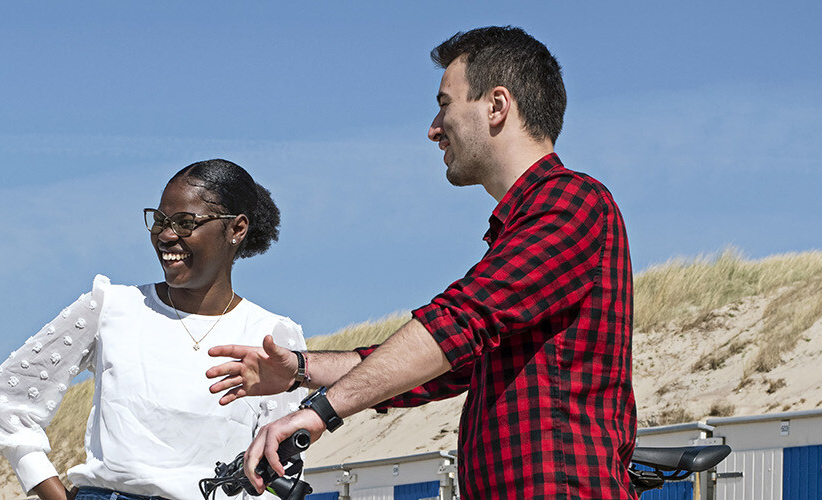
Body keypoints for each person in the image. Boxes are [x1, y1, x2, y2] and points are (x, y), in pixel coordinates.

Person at [206, 26, 637, 498]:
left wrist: (320, 412)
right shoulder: (522, 226)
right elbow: (440, 364)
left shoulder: (571, 201)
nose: (434, 128)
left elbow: (460, 321)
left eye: (445, 104)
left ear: (497, 106)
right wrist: (300, 368)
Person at [0, 159, 309, 500]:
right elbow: (5, 400)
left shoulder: (271, 337)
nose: (166, 235)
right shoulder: (111, 307)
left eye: (184, 222)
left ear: (236, 229)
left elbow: (277, 467)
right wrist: (52, 491)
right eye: (160, 221)